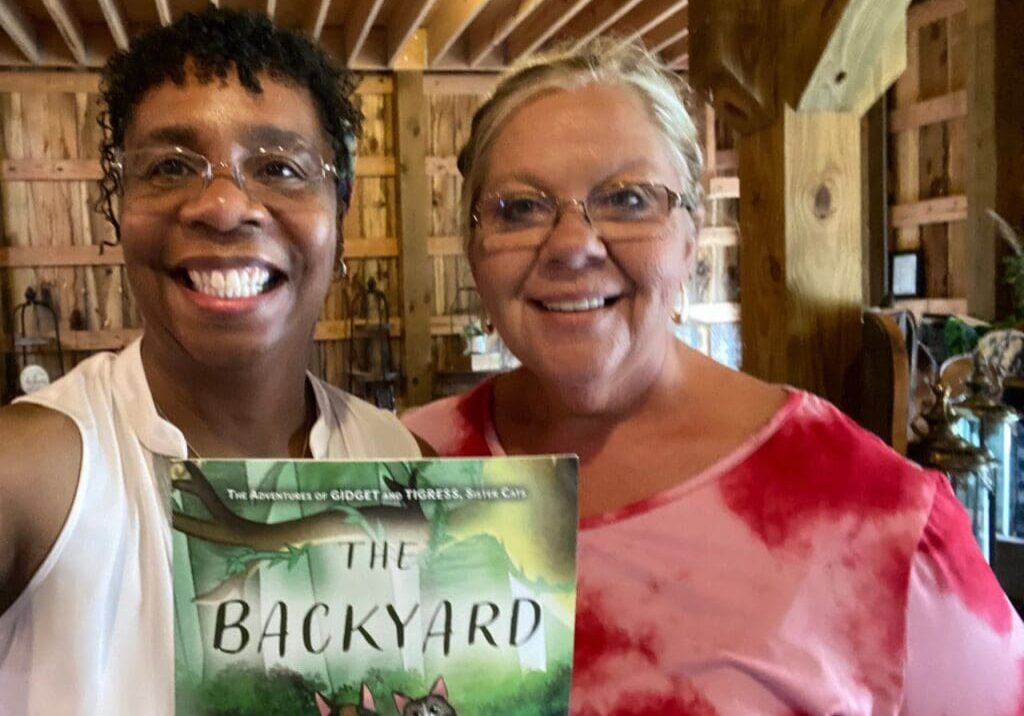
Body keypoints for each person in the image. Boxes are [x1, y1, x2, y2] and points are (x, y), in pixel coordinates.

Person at [402, 39, 1024, 714]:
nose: (573, 244)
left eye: (629, 199)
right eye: (519, 207)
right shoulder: (394, 471)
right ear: (473, 251)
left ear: (690, 243)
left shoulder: (869, 510)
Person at [0, 8, 419, 714]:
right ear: (118, 212)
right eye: (170, 166)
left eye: (281, 168)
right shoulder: (33, 471)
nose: (224, 206)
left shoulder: (399, 458)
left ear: (339, 214)